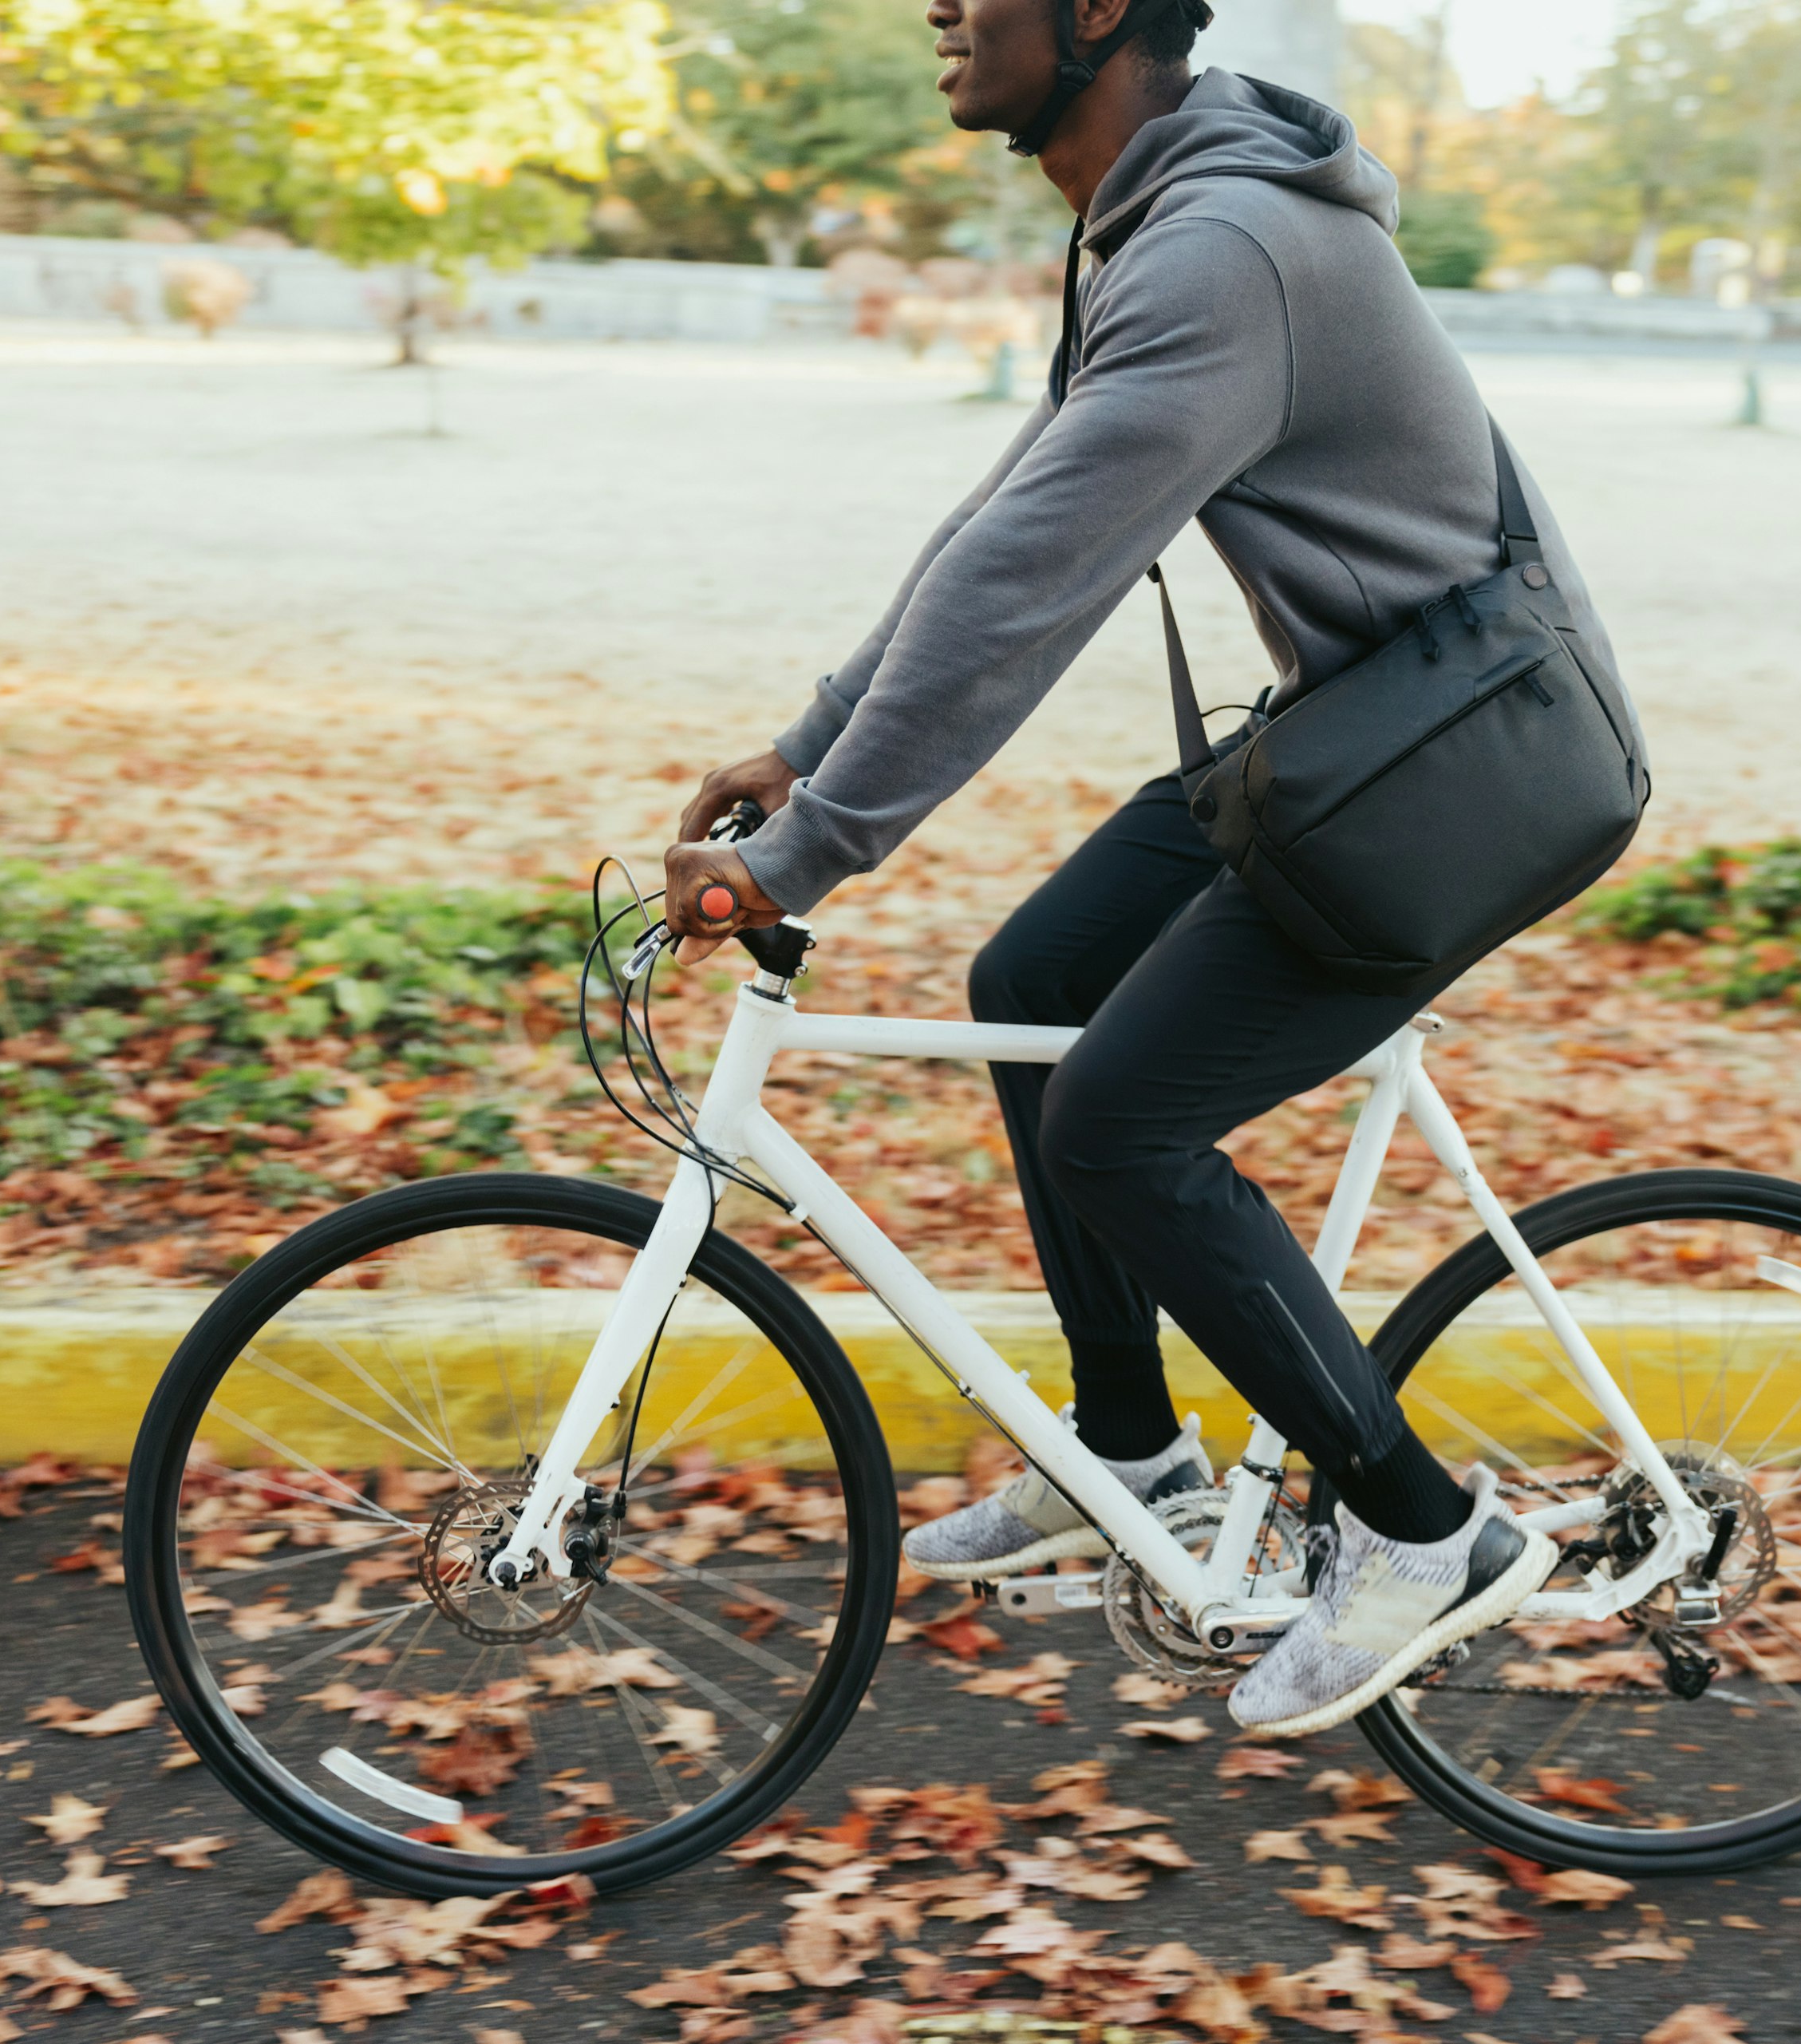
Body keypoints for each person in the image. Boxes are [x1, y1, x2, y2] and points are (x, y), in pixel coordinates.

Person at [662, 0, 1639, 1736]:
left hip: (1466, 771)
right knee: (1031, 984)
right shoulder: (1162, 225)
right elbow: (1007, 524)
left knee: (1123, 1118)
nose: (940, 12)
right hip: (1371, 730)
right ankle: (1136, 1454)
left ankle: (1424, 1534)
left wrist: (811, 855)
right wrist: (813, 744)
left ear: (1099, 11)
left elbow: (1025, 595)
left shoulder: (1224, 250)